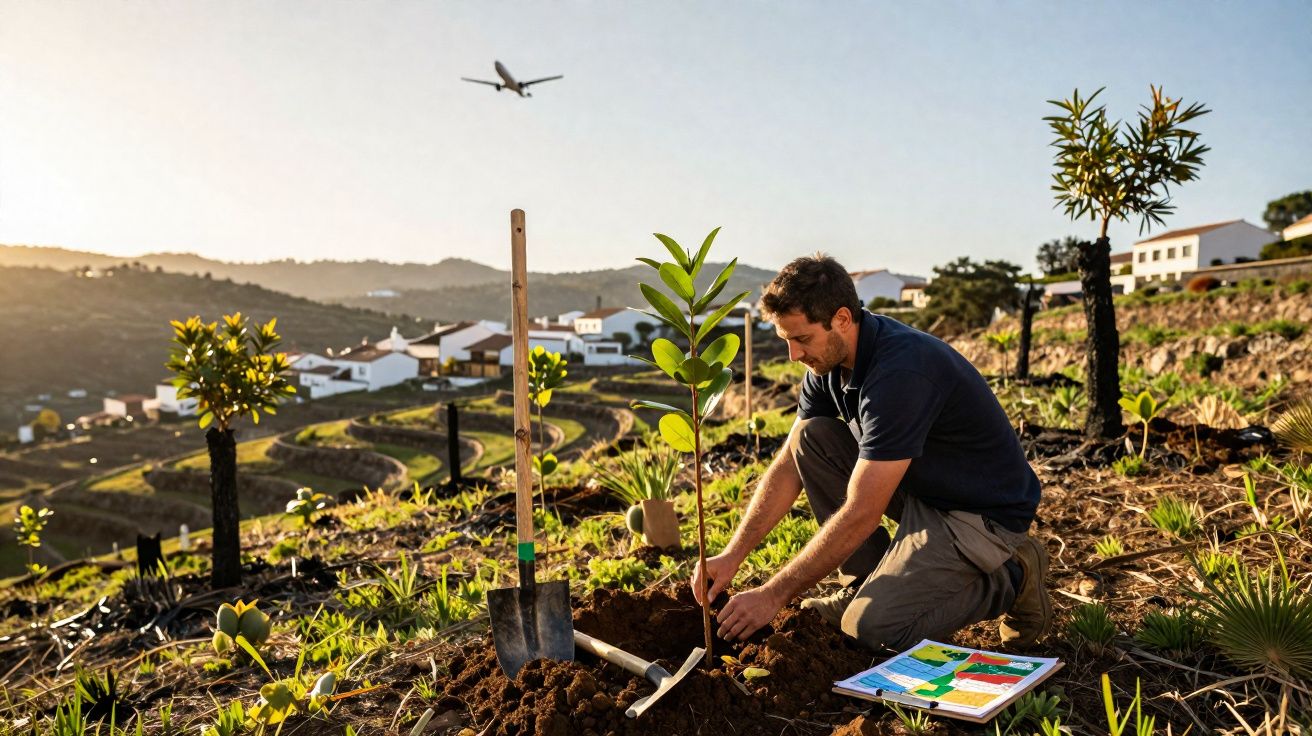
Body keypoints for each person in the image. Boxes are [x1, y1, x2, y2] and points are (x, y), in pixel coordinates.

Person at [692, 254, 1052, 650]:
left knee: (873, 631)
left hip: (978, 515)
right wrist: (732, 555)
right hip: (924, 488)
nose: (794, 355)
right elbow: (790, 464)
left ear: (842, 319)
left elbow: (862, 512)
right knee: (811, 438)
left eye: (802, 339)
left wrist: (774, 595)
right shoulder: (826, 367)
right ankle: (861, 583)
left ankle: (1014, 578)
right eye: (786, 340)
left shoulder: (899, 372)